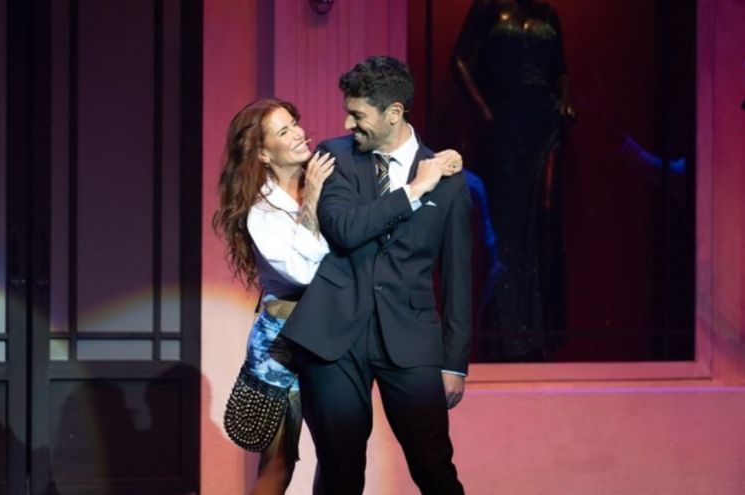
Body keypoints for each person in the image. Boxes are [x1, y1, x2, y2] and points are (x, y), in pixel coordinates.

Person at [213, 98, 463, 494]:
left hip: (333, 327)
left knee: (337, 457)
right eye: (283, 131)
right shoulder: (261, 210)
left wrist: (440, 160)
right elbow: (303, 273)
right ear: (262, 153)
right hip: (283, 338)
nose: (299, 133)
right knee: (278, 464)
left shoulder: (333, 173)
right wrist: (312, 200)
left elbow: (377, 195)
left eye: (295, 123)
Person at [282, 56, 472, 495]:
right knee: (340, 468)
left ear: (394, 113)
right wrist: (414, 190)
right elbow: (345, 229)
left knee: (433, 466)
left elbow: (458, 277)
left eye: (358, 114)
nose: (347, 123)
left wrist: (454, 362)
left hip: (411, 337)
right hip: (336, 336)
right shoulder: (335, 156)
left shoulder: (448, 179)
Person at [452, 0, 573, 360]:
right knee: (505, 226)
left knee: (546, 217)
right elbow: (459, 61)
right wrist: (483, 110)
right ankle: (507, 336)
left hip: (546, 124)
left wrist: (566, 100)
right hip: (505, 124)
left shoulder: (546, 12)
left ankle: (544, 332)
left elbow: (561, 69)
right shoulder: (489, 8)